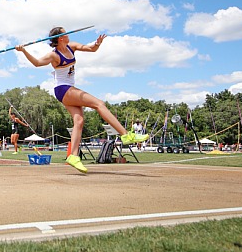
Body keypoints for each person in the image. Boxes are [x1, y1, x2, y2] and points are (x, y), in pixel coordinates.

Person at [16, 26, 149, 173]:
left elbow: (90, 49)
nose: (69, 34)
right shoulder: (54, 55)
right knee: (99, 104)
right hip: (63, 89)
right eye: (66, 32)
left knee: (79, 121)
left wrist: (97, 44)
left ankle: (73, 156)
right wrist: (24, 50)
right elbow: (37, 63)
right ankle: (125, 135)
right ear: (61, 37)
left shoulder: (71, 47)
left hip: (68, 90)